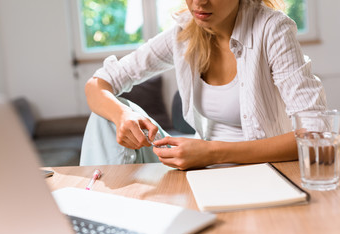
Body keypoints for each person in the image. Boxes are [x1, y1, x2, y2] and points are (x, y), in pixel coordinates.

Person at [80, 0, 326, 170]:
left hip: (259, 171)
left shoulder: (272, 29)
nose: (198, 2)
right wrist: (122, 115)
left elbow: (317, 136)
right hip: (201, 167)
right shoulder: (184, 32)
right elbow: (98, 83)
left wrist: (212, 152)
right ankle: (94, 211)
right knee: (104, 117)